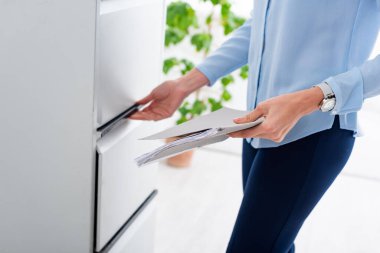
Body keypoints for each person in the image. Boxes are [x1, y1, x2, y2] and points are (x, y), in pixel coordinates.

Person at [130, 1, 380, 252]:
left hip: (316, 131)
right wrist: (184, 84)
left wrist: (313, 97)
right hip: (261, 127)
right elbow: (260, 27)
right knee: (272, 242)